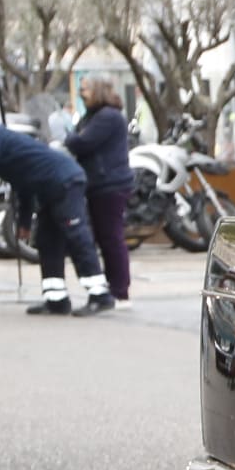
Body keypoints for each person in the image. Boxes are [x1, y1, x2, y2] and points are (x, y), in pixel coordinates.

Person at [0, 102, 113, 316]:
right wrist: (24, 223)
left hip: (64, 183)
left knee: (77, 237)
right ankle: (56, 299)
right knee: (47, 241)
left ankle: (100, 295)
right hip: (49, 189)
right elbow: (22, 185)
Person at [64, 80, 134, 308]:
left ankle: (119, 291)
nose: (82, 94)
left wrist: (68, 138)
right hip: (98, 183)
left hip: (109, 184)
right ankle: (111, 288)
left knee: (111, 238)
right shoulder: (93, 116)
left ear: (98, 91)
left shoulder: (107, 116)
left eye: (85, 89)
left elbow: (83, 142)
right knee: (105, 238)